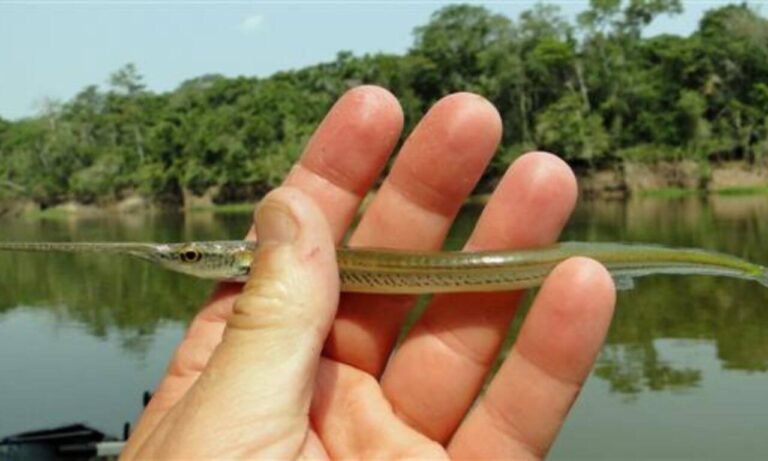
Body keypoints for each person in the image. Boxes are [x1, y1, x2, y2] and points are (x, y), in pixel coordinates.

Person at [120, 87, 615, 460]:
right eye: (187, 257)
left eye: (187, 257)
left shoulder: (256, 261)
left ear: (234, 261)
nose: (183, 261)